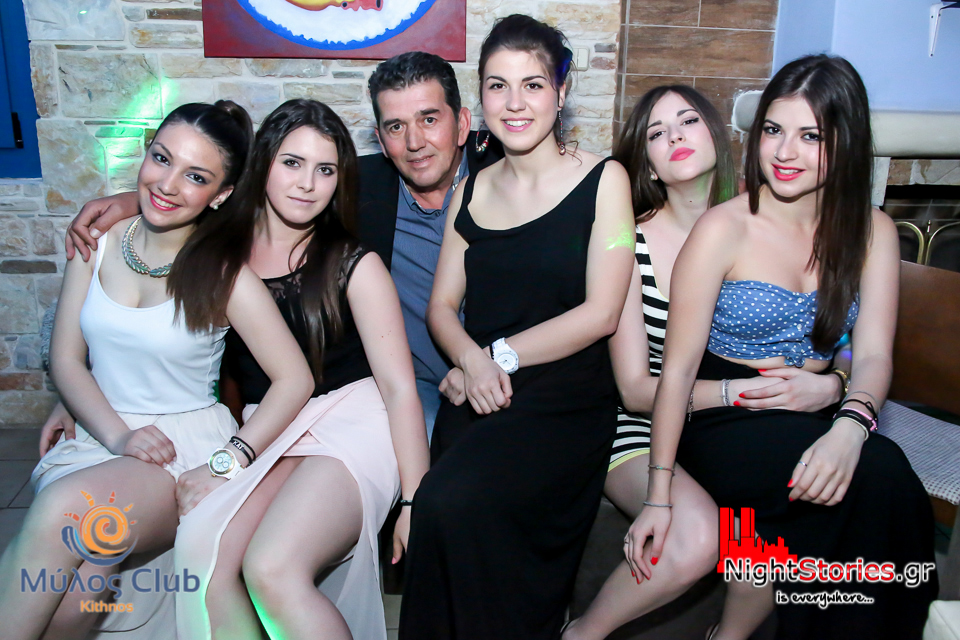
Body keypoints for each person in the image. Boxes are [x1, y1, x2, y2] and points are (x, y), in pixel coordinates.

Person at [633, 55, 938, 640]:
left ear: (846, 141)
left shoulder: (871, 229)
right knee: (876, 481)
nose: (785, 152)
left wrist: (850, 422)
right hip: (724, 422)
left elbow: (873, 353)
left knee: (878, 483)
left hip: (819, 413)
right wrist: (659, 494)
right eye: (773, 130)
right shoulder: (723, 228)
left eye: (810, 136)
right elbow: (676, 374)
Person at [59, 52, 504, 442]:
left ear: (462, 124)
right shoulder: (358, 185)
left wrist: (479, 361)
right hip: (410, 386)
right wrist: (131, 203)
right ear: (382, 139)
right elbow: (227, 190)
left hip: (495, 367)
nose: (414, 141)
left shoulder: (507, 182)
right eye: (395, 126)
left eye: (429, 119)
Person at [0, 101, 314, 640]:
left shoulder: (224, 274)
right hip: (99, 432)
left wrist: (229, 461)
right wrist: (117, 435)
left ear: (220, 194)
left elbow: (295, 380)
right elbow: (67, 359)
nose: (167, 184)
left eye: (195, 176)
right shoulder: (96, 242)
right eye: (162, 158)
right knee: (76, 594)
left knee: (65, 510)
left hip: (179, 450)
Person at [563, 86, 852, 640]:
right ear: (647, 162)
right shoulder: (628, 241)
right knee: (698, 538)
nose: (674, 135)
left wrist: (836, 379)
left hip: (746, 424)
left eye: (688, 120)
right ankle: (582, 634)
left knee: (764, 549)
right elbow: (634, 389)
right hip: (642, 424)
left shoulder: (770, 218)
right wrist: (738, 393)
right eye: (656, 132)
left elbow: (842, 329)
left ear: (717, 136)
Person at [398, 15, 635, 639]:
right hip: (483, 394)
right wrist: (471, 362)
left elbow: (602, 312)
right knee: (441, 513)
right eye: (498, 86)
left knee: (451, 503)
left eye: (532, 84)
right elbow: (442, 307)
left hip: (564, 400)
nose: (515, 102)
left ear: (561, 92)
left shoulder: (606, 181)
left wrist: (492, 358)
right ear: (481, 97)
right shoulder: (470, 190)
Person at [172, 99, 429, 640]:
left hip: (355, 421)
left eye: (325, 169)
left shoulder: (355, 264)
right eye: (292, 162)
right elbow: (161, 209)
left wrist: (414, 499)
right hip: (274, 423)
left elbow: (400, 390)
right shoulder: (218, 249)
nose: (308, 183)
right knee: (205, 553)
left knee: (271, 567)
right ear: (263, 162)